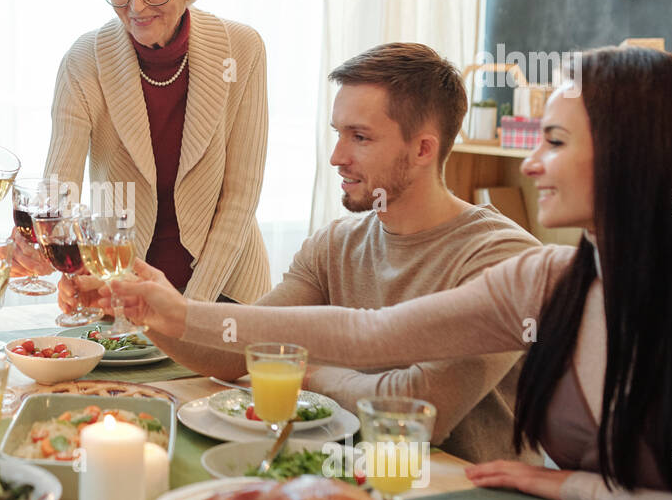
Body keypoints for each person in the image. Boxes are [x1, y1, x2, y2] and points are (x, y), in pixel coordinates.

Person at [113, 46, 672, 500]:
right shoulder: (548, 278)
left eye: (556, 142)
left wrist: (575, 488)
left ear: (633, 156)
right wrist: (175, 312)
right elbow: (367, 333)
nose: (532, 162)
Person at [128, 44, 542, 462]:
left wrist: (309, 375)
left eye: (360, 137)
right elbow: (236, 352)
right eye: (337, 133)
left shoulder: (505, 259)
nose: (336, 157)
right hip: (353, 471)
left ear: (423, 150)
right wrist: (140, 304)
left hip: (468, 499)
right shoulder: (336, 244)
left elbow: (419, 409)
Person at [29, 0, 270, 306]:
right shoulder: (84, 61)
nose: (136, 6)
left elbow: (240, 199)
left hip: (226, 292)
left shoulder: (242, 50)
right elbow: (60, 195)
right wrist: (57, 254)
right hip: (123, 290)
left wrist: (190, 311)